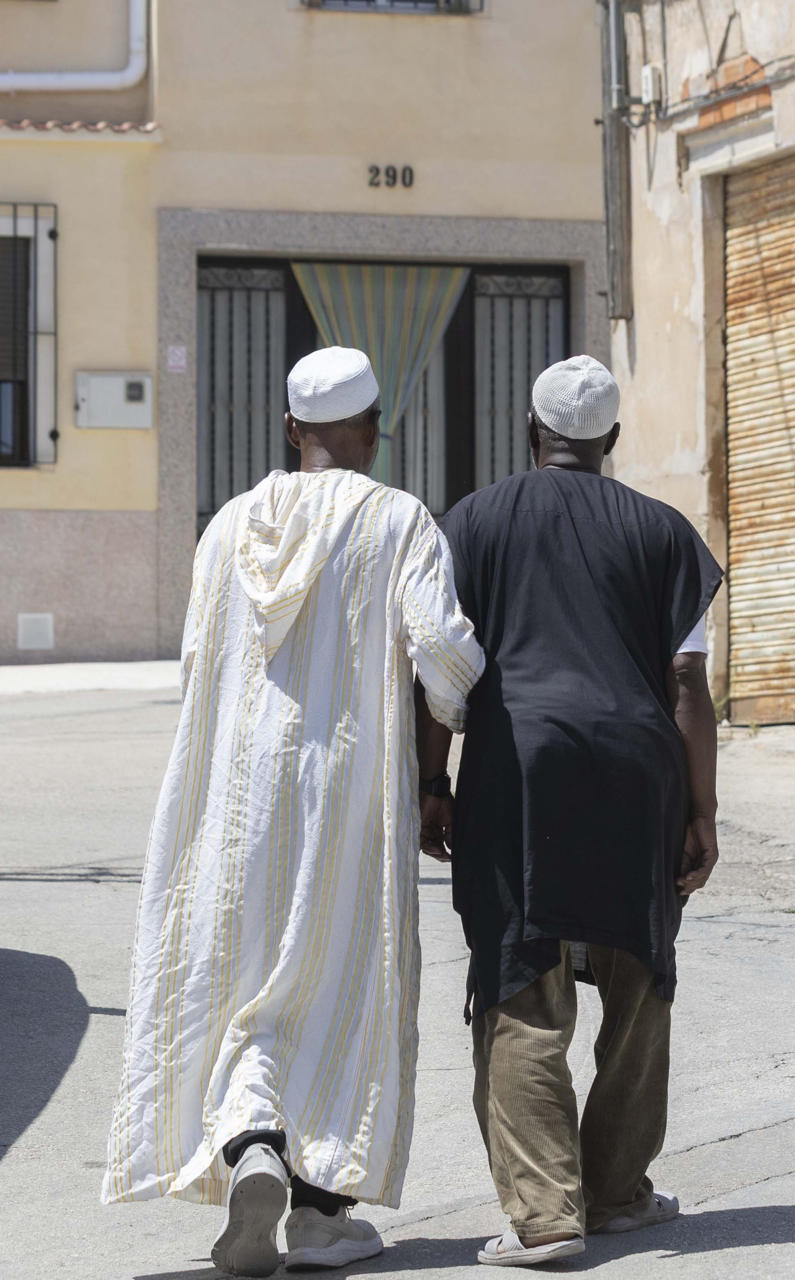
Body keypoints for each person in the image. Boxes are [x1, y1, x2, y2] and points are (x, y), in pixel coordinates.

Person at [103, 347, 485, 1277]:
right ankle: (320, 1218)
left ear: (289, 429)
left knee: (240, 982)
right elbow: (443, 656)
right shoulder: (400, 522)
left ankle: (251, 1149)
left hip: (235, 799)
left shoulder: (227, 526)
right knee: (337, 980)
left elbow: (199, 663)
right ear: (376, 427)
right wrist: (466, 707)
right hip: (348, 793)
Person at [418, 354, 724, 1268]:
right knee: (641, 976)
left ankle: (548, 1214)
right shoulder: (664, 532)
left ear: (530, 431)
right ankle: (620, 1190)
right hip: (639, 768)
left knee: (522, 978)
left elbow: (441, 667)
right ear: (612, 442)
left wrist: (435, 782)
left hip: (519, 763)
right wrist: (701, 808)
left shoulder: (473, 521)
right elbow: (685, 682)